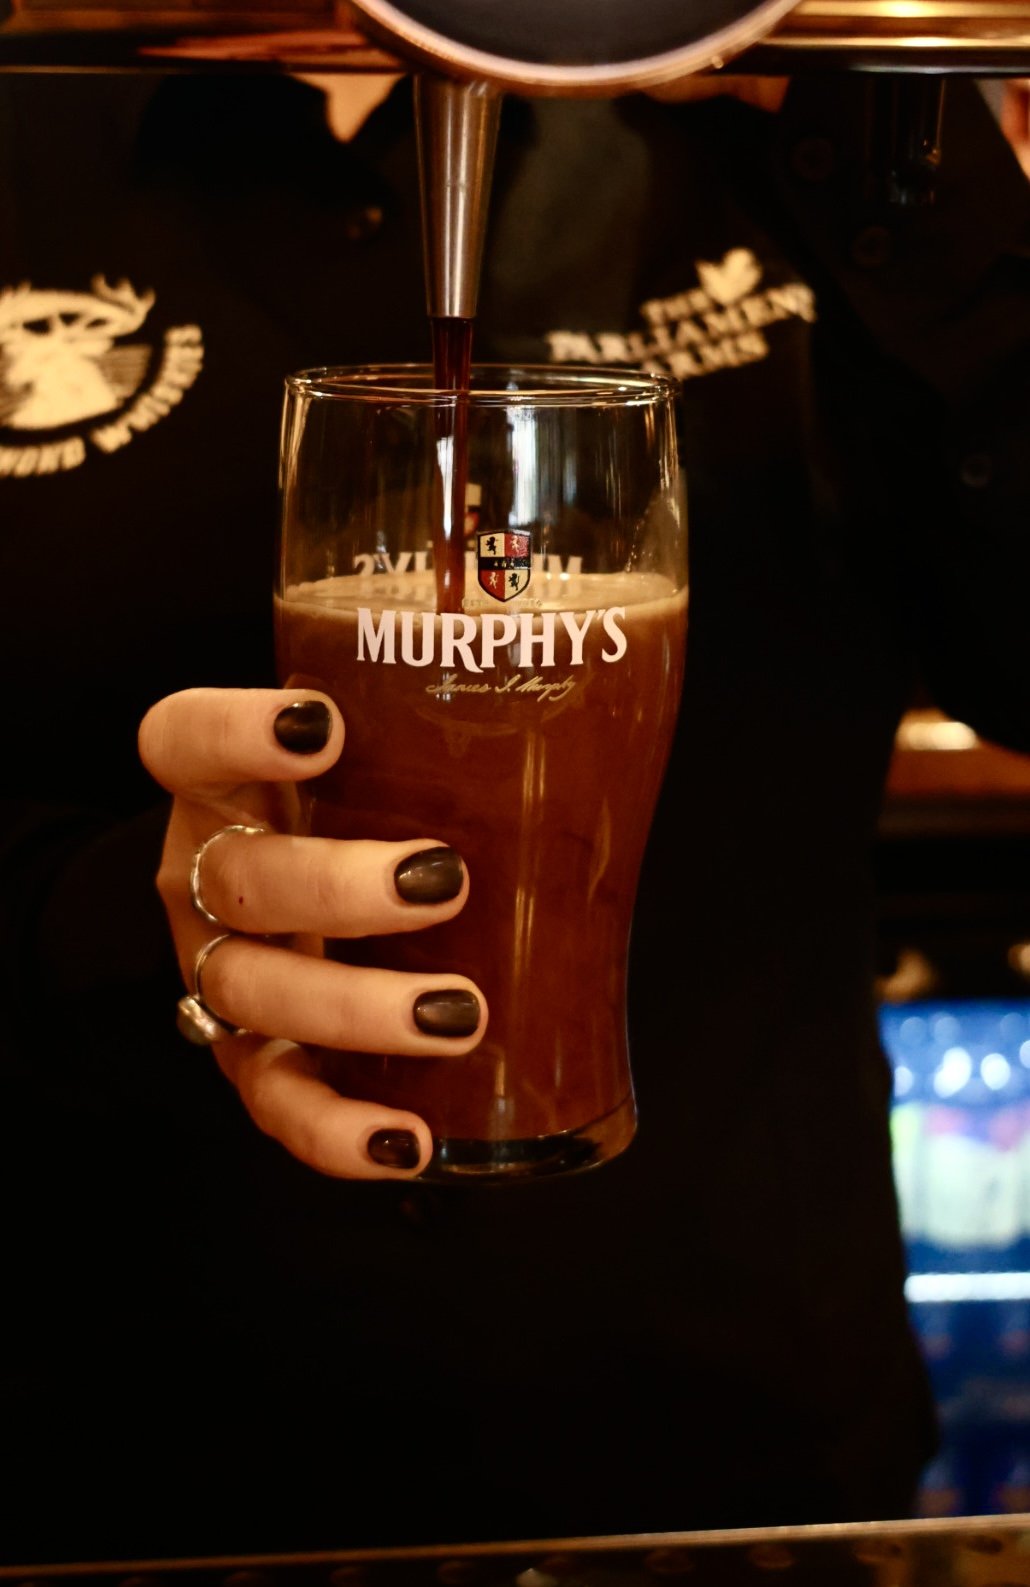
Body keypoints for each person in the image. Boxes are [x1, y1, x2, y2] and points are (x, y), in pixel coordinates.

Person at [2, 59, 1029, 1566]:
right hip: (122, 1430)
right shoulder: (48, 96)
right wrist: (103, 913)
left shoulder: (796, 129)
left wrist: (896, 134)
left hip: (737, 1423)